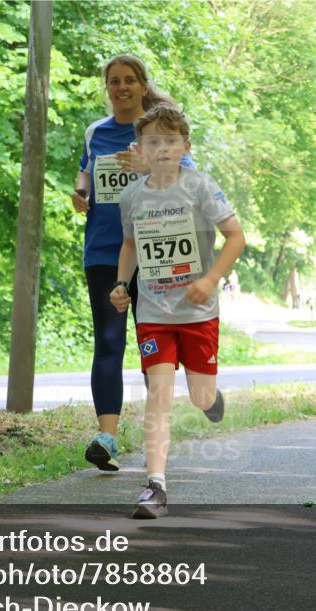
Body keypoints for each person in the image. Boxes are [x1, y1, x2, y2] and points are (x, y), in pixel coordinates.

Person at [110, 104, 245, 519]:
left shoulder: (201, 186)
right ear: (141, 150)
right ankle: (155, 486)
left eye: (171, 141)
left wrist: (210, 280)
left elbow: (236, 237)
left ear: (185, 146)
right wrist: (120, 284)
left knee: (200, 396)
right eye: (153, 141)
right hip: (153, 312)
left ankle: (209, 399)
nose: (163, 148)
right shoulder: (132, 195)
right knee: (159, 396)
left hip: (198, 313)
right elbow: (131, 245)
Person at [71, 54, 192, 472]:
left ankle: (155, 437)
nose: (121, 88)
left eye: (128, 81)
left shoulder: (161, 127)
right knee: (108, 339)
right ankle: (107, 437)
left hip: (156, 252)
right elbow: (86, 171)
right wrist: (80, 191)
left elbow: (189, 178)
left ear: (142, 85)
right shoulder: (95, 132)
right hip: (106, 250)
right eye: (113, 81)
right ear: (107, 87)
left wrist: (149, 165)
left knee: (153, 346)